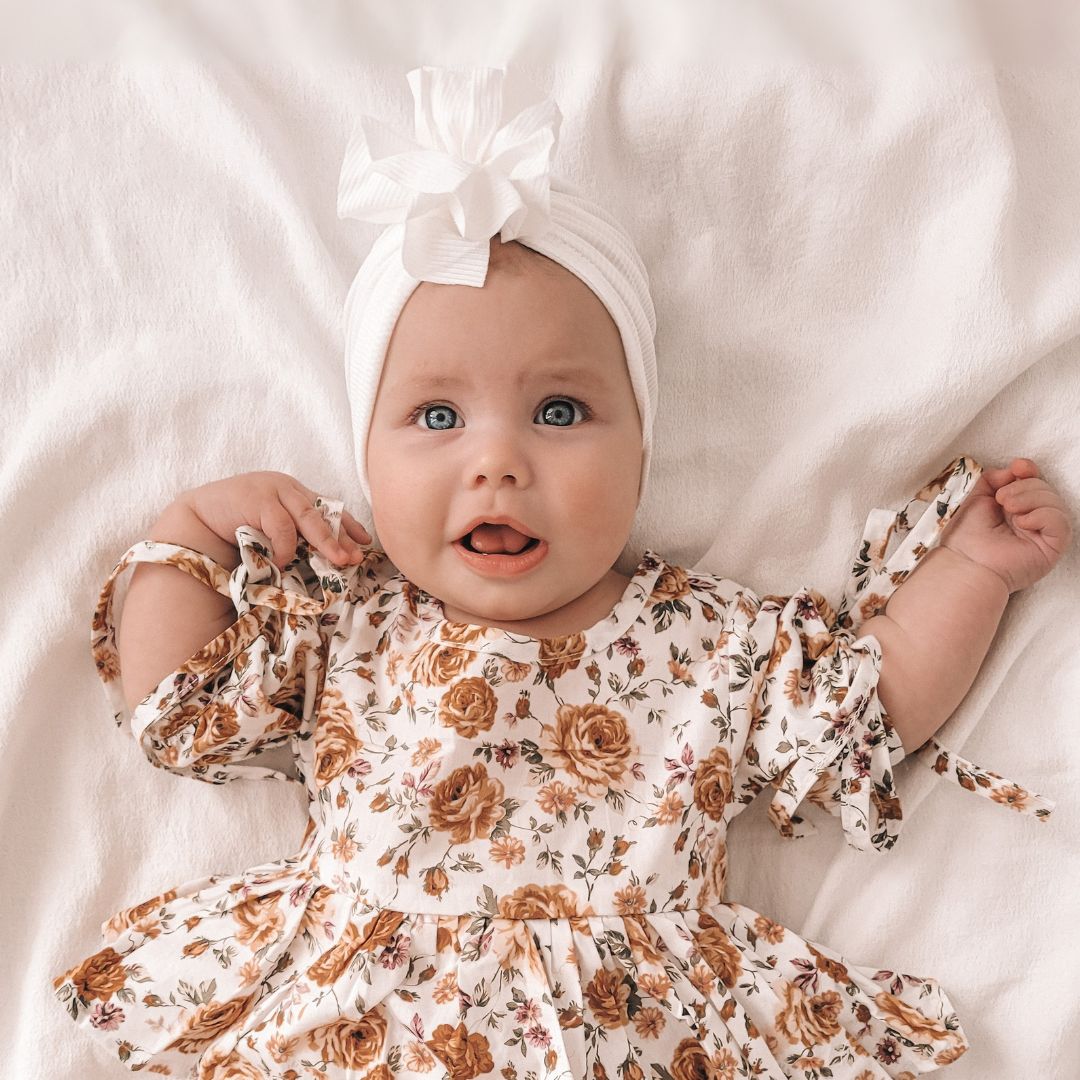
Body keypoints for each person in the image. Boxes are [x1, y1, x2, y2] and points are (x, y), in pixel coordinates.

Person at [53, 66, 1069, 1079]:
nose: (497, 462)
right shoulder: (343, 621)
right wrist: (191, 534)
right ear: (366, 461)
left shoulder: (711, 644)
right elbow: (174, 706)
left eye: (560, 412)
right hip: (360, 1029)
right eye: (437, 418)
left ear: (641, 455)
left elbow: (871, 704)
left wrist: (974, 569)